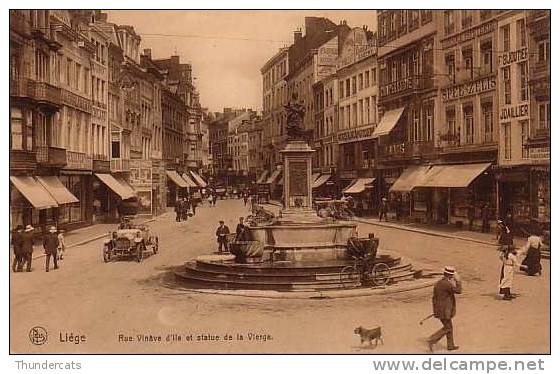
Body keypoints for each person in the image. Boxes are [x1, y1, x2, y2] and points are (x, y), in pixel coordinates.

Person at [428, 266, 462, 352]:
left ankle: (450, 345)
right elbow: (458, 291)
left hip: (441, 309)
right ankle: (432, 339)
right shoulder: (446, 284)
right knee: (448, 328)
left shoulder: (440, 282)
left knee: (449, 327)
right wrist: (458, 281)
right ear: (450, 276)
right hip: (445, 310)